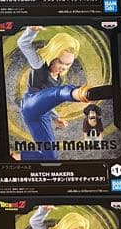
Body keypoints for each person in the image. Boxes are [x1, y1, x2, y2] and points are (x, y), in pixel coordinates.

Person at [12, 27, 114, 161]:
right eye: (60, 62)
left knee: (50, 156)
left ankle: (15, 157)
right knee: (60, 92)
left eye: (68, 64)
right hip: (30, 104)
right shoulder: (39, 65)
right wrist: (31, 30)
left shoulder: (58, 79)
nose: (63, 67)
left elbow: (48, 100)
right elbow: (23, 44)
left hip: (41, 115)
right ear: (52, 55)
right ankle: (82, 93)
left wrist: (55, 118)